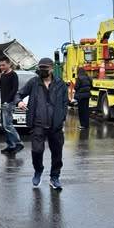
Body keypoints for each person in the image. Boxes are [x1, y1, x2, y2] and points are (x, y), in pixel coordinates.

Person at [16, 57, 68, 190]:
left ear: (51, 69)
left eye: (45, 68)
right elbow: (19, 94)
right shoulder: (34, 82)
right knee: (37, 150)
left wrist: (61, 118)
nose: (42, 70)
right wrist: (19, 102)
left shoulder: (60, 84)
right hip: (38, 124)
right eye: (40, 68)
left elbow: (64, 103)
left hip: (55, 125)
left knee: (57, 153)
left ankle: (54, 177)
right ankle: (38, 170)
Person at [0, 56, 24, 154]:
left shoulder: (13, 75)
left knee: (8, 125)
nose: (2, 67)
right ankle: (11, 145)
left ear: (9, 64)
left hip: (9, 103)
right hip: (3, 103)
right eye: (0, 65)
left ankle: (18, 143)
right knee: (4, 126)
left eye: (3, 65)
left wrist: (7, 101)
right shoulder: (2, 75)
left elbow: (14, 89)